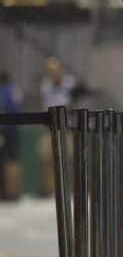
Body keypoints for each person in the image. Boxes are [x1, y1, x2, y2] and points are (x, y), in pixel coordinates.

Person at [36, 57, 78, 197]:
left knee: (70, 159)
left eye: (54, 71)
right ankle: (49, 191)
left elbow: (75, 104)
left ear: (60, 70)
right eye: (49, 71)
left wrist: (74, 128)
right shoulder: (45, 85)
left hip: (67, 127)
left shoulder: (70, 83)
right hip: (49, 127)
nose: (52, 74)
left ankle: (70, 190)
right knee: (45, 157)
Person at [0, 72, 23, 201]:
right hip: (14, 128)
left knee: (6, 160)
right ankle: (13, 191)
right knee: (13, 159)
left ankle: (7, 191)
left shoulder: (4, 91)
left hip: (5, 129)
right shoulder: (15, 90)